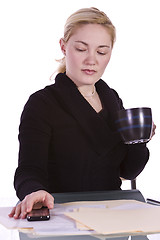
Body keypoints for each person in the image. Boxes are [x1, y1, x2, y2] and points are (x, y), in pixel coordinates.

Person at [9, 7, 156, 219]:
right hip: (63, 216)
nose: (91, 60)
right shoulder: (41, 104)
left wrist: (139, 141)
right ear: (63, 46)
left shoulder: (112, 99)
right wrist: (34, 191)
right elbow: (28, 170)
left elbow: (128, 171)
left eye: (101, 51)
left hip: (112, 218)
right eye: (81, 49)